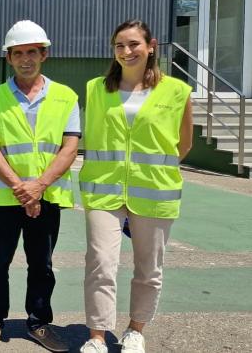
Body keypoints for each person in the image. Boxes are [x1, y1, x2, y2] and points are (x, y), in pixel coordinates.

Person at [78, 20, 193, 353]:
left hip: (154, 190)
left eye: (133, 45)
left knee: (149, 268)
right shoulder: (96, 88)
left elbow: (183, 145)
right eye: (119, 46)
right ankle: (97, 335)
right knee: (100, 262)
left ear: (150, 46)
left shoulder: (176, 91)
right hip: (104, 189)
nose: (126, 52)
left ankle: (135, 330)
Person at [0, 20, 80, 352]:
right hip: (5, 196)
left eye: (31, 52)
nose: (25, 59)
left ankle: (38, 323)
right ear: (8, 58)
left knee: (42, 263)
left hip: (47, 196)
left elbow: (70, 147)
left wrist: (39, 187)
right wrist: (22, 188)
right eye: (18, 53)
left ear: (44, 54)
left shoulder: (65, 97)